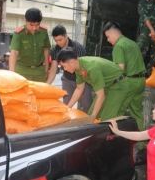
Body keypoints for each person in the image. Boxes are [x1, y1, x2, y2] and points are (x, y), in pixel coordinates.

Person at [103, 21, 146, 149]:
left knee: (118, 111)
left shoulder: (119, 46)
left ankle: (119, 145)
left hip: (130, 82)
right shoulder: (132, 43)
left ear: (115, 33)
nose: (108, 40)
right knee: (136, 113)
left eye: (108, 37)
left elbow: (119, 69)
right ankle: (140, 145)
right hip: (141, 81)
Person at [57, 48, 129, 121]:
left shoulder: (91, 67)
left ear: (71, 62)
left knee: (106, 118)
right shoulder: (78, 68)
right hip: (107, 86)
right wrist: (68, 108)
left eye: (64, 66)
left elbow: (101, 96)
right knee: (91, 114)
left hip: (118, 85)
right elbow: (79, 89)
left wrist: (92, 117)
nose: (65, 69)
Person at [47, 25, 94, 112]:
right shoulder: (55, 50)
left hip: (83, 79)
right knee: (67, 105)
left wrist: (81, 90)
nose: (58, 43)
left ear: (66, 35)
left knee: (86, 105)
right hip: (68, 79)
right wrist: (47, 85)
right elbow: (53, 69)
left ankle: (85, 124)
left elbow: (83, 68)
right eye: (56, 40)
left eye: (60, 40)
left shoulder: (78, 48)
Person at [9, 8, 51, 82]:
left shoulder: (44, 32)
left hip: (39, 71)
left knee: (40, 92)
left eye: (37, 25)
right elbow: (14, 53)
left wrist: (46, 68)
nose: (34, 28)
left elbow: (46, 49)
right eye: (31, 25)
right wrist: (11, 73)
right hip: (22, 71)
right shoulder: (19, 34)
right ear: (25, 21)